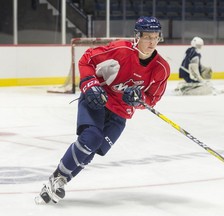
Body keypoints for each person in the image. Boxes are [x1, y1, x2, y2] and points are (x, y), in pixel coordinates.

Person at [35, 16, 170, 204]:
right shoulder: (121, 49)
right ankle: (56, 178)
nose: (152, 42)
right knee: (91, 138)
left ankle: (60, 181)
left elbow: (151, 100)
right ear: (137, 36)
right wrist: (90, 84)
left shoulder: (161, 68)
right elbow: (87, 59)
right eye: (147, 37)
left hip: (120, 113)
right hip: (98, 100)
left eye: (156, 37)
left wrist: (138, 100)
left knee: (93, 149)